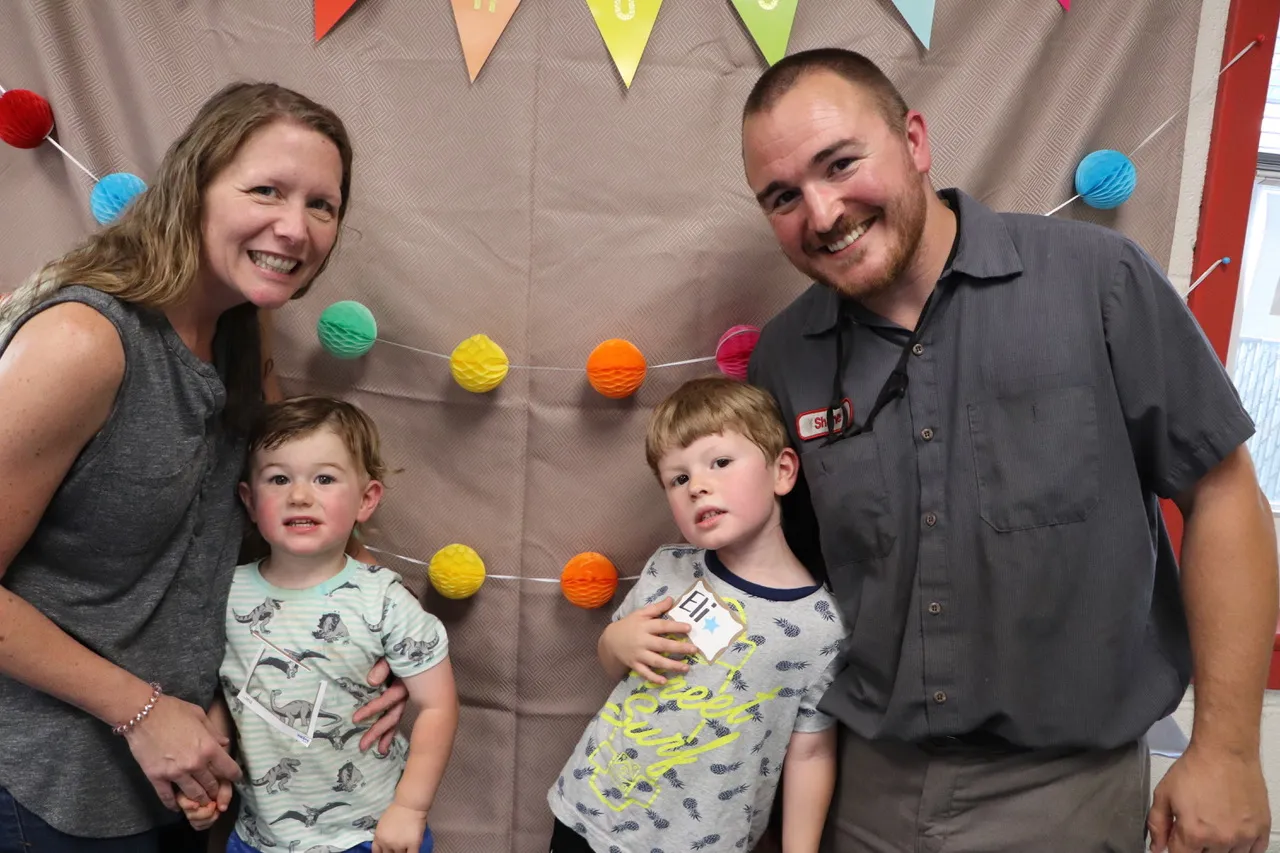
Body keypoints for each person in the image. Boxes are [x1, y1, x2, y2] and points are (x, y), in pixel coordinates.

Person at [739, 47, 1278, 853]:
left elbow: (1223, 491)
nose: (821, 214)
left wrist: (1228, 750)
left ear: (915, 141)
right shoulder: (786, 358)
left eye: (841, 164)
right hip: (860, 788)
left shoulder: (1097, 280)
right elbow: (786, 578)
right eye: (783, 196)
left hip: (1064, 793)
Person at [0, 82, 408, 853]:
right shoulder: (85, 341)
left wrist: (366, 625)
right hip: (49, 778)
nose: (295, 228)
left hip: (189, 765)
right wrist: (140, 711)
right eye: (266, 190)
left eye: (322, 205)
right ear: (194, 189)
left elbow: (274, 499)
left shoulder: (243, 324)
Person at [546, 375, 850, 853]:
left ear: (782, 471)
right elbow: (612, 659)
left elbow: (810, 751)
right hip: (591, 811)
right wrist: (617, 641)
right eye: (679, 478)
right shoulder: (669, 567)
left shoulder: (821, 627)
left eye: (721, 462)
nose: (698, 487)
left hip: (702, 840)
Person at [177, 395, 457, 853]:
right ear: (249, 499)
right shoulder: (225, 593)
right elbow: (225, 692)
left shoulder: (384, 600)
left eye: (324, 478)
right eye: (279, 478)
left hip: (371, 835)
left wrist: (410, 809)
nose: (300, 495)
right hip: (259, 838)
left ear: (366, 499)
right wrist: (208, 771)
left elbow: (438, 707)